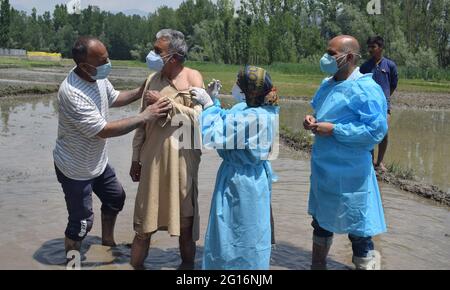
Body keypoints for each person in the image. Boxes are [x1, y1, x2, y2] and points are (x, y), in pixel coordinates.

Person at [53, 36, 172, 256]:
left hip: (97, 162)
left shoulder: (96, 77)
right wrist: (146, 116)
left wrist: (139, 92)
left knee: (115, 197)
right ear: (85, 66)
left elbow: (114, 97)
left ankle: (108, 242)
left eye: (107, 58)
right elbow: (104, 130)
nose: (108, 64)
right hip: (75, 169)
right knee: (81, 224)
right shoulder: (72, 93)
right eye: (103, 61)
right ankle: (72, 261)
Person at [303, 35, 388, 270]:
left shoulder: (366, 88)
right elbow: (321, 112)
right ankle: (317, 266)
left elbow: (375, 131)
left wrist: (335, 130)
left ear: (349, 57)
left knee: (360, 232)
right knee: (320, 223)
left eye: (331, 54)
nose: (326, 57)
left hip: (352, 176)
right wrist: (312, 120)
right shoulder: (327, 84)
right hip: (324, 171)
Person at [191, 66, 280, 270]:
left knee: (233, 230)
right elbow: (227, 119)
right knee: (250, 230)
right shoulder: (254, 109)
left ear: (249, 91)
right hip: (251, 178)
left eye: (239, 85)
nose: (236, 88)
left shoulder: (255, 117)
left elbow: (215, 136)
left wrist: (207, 106)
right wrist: (215, 102)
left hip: (240, 181)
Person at [129, 29, 204, 270]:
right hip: (152, 161)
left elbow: (200, 119)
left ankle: (187, 270)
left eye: (158, 50)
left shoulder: (193, 78)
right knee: (143, 225)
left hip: (183, 162)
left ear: (173, 56)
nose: (152, 54)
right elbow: (141, 121)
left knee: (185, 225)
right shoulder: (153, 80)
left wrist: (168, 104)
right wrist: (135, 158)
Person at [360, 36, 398, 172]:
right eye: (369, 47)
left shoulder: (390, 65)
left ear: (380, 48)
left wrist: (384, 98)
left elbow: (393, 84)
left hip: (384, 104)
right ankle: (369, 160)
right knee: (370, 131)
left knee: (384, 131)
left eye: (373, 47)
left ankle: (380, 162)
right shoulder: (365, 66)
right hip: (368, 104)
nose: (370, 50)